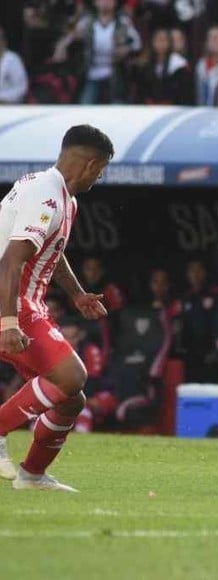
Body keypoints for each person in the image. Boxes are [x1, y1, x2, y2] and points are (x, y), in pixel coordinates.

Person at [0, 124, 114, 492]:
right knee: (71, 377)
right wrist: (8, 321)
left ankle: (32, 476)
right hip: (12, 301)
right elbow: (11, 262)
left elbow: (53, 250)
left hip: (26, 303)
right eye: (101, 169)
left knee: (70, 399)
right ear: (90, 163)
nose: (100, 176)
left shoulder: (64, 197)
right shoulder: (45, 194)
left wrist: (77, 294)